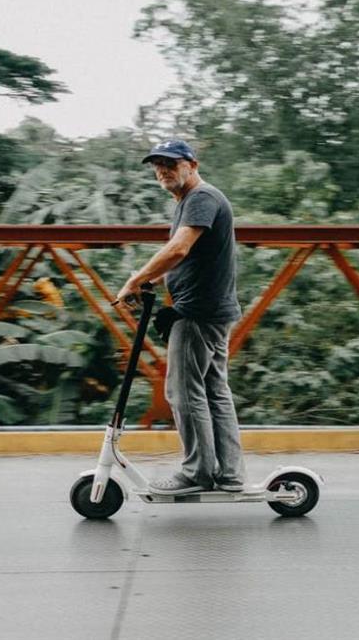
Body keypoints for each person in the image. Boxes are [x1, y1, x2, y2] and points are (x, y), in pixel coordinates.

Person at [114, 139, 245, 495]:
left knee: (183, 392)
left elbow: (179, 248)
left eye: (171, 163)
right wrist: (154, 280)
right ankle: (230, 474)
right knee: (214, 391)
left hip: (198, 313)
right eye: (157, 164)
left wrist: (135, 279)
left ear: (192, 164)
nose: (162, 170)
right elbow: (188, 257)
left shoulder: (201, 198)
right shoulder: (194, 200)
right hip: (214, 310)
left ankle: (196, 473)